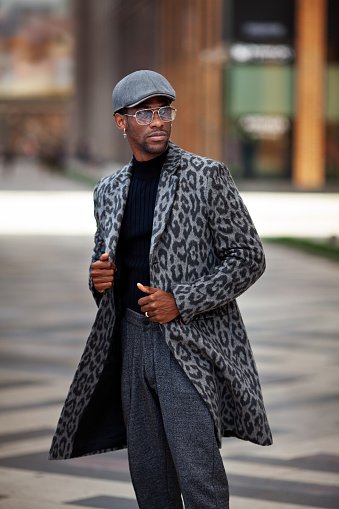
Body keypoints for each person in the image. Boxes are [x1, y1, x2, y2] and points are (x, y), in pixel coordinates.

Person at [49, 70, 272, 508]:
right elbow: (108, 265)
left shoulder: (207, 177)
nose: (158, 121)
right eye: (145, 113)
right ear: (122, 122)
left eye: (164, 110)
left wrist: (181, 301)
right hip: (131, 341)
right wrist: (97, 280)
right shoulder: (108, 190)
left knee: (199, 474)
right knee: (150, 479)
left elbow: (249, 257)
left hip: (187, 346)